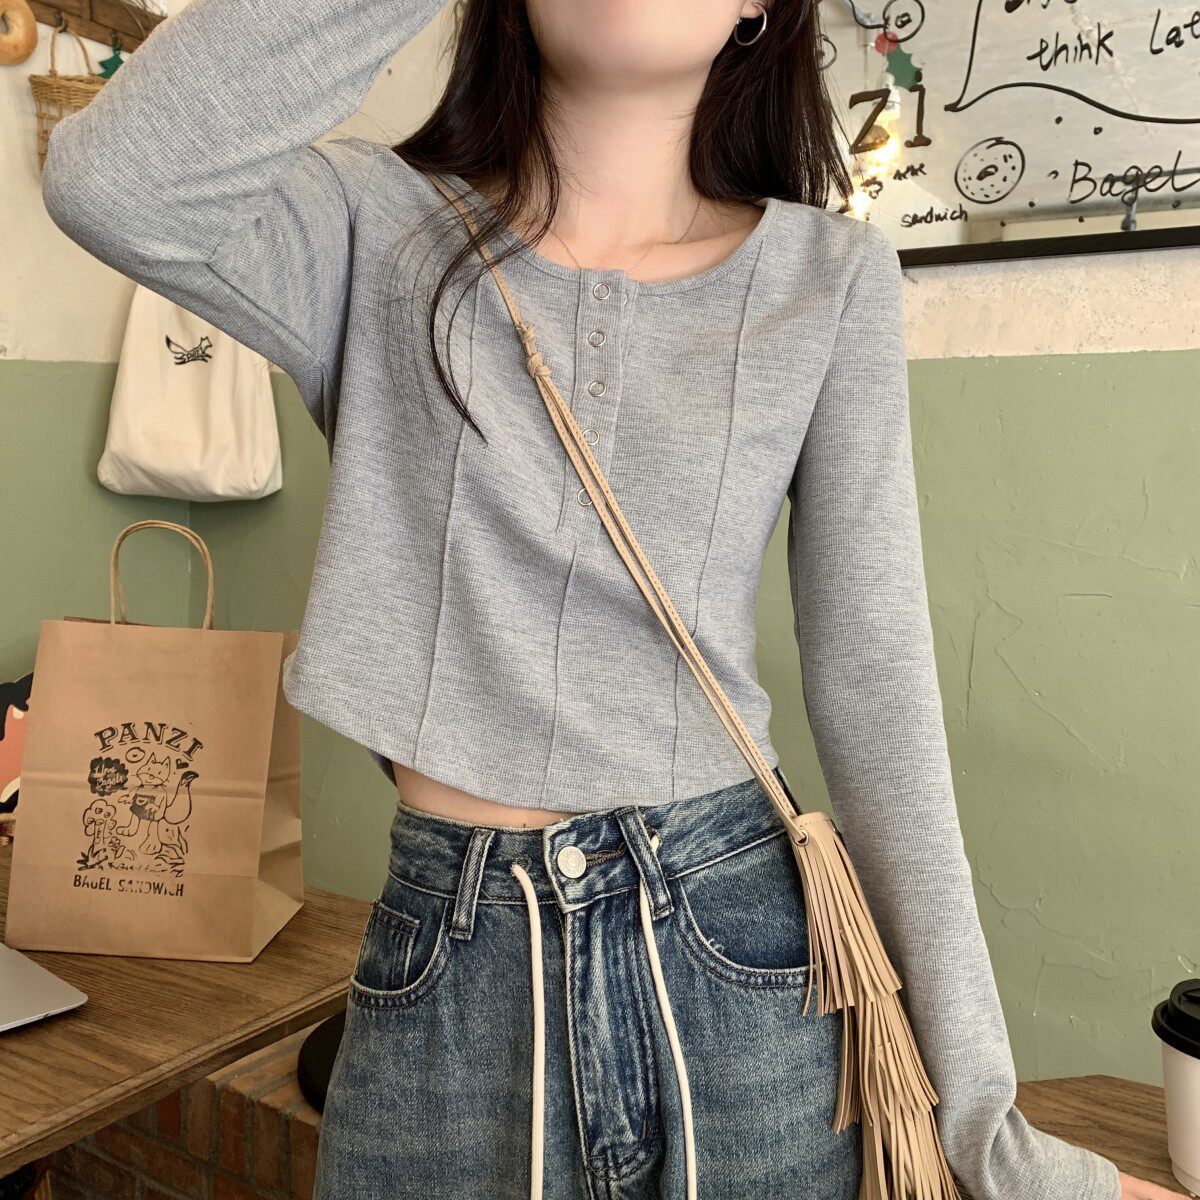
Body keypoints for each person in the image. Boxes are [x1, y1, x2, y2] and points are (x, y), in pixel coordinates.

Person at [38, 1, 1179, 1198]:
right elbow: (116, 182)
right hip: (450, 968)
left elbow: (876, 687)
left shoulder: (829, 276)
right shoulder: (374, 229)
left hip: (741, 960)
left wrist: (989, 1134)